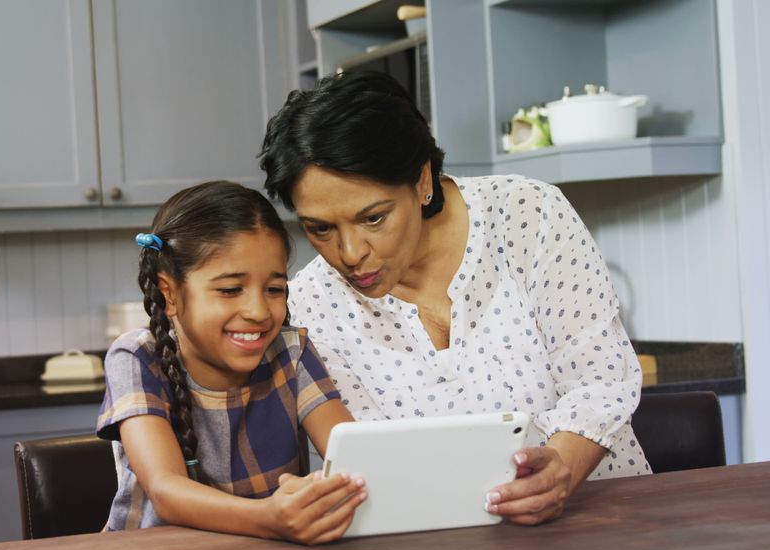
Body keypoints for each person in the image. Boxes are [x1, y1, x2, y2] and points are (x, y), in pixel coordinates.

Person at [258, 71, 650, 526]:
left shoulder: (529, 215)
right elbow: (371, 460)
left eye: (373, 218)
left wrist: (561, 466)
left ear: (422, 179)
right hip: (443, 543)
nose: (349, 254)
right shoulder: (311, 302)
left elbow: (602, 378)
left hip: (605, 518)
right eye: (320, 228)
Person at [96, 181, 365, 544]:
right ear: (169, 293)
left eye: (274, 289)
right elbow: (165, 491)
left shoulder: (291, 351)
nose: (257, 311)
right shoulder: (138, 357)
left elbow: (356, 457)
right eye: (229, 290)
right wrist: (269, 518)